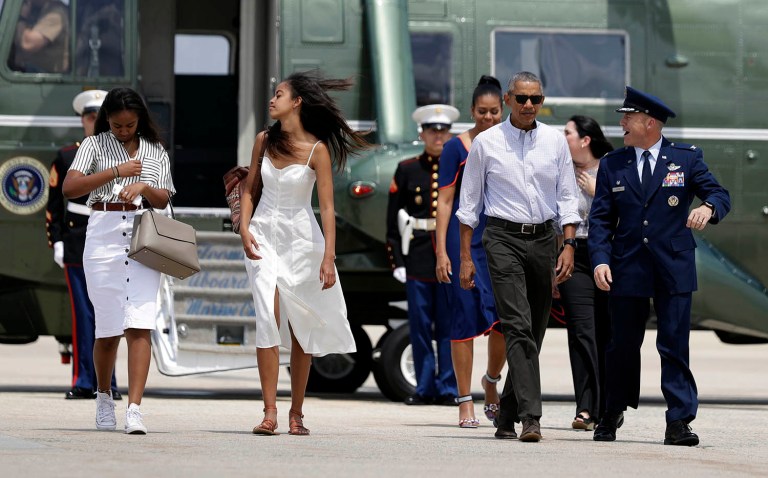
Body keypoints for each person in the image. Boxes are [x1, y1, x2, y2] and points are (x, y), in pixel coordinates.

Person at [589, 86, 731, 446]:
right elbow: (602, 220)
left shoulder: (686, 159)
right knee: (621, 345)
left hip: (673, 266)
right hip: (627, 267)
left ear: (649, 123)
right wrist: (601, 261)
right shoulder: (612, 164)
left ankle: (679, 420)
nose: (622, 123)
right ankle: (611, 412)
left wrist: (708, 208)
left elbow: (719, 193)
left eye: (628, 117)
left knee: (673, 345)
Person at [240, 71, 367, 436]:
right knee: (267, 314)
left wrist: (329, 257)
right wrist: (245, 229)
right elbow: (250, 189)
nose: (272, 100)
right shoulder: (264, 140)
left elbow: (327, 209)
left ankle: (296, 412)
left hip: (302, 241)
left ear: (296, 102)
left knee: (300, 329)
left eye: (279, 94)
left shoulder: (318, 150)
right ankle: (269, 412)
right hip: (263, 235)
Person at [456, 71, 580, 442]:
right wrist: (465, 258)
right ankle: (531, 417)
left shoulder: (555, 142)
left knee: (534, 332)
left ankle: (506, 415)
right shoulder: (487, 143)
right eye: (522, 98)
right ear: (508, 99)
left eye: (536, 99)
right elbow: (468, 205)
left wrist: (569, 244)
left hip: (545, 239)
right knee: (517, 325)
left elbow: (568, 197)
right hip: (502, 238)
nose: (529, 105)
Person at [63, 87, 175, 435]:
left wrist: (142, 185)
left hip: (143, 234)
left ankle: (135, 409)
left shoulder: (156, 150)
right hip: (104, 231)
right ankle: (103, 397)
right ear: (105, 120)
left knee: (140, 323)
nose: (123, 130)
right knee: (108, 328)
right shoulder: (94, 146)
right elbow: (70, 188)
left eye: (129, 125)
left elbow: (164, 196)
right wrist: (116, 172)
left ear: (139, 118)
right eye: (116, 125)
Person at [435, 76, 506, 428]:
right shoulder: (455, 148)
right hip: (461, 240)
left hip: (501, 239)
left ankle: (491, 382)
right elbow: (444, 201)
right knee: (463, 317)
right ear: (472, 111)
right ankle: (464, 401)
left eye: (495, 112)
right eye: (482, 112)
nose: (489, 118)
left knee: (504, 320)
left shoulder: (509, 144)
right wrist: (441, 252)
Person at [46, 89, 120, 401]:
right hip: (77, 240)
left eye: (98, 117)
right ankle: (84, 380)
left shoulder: (119, 154)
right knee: (83, 315)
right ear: (82, 120)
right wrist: (57, 241)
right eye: (89, 117)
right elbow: (53, 205)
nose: (93, 122)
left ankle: (109, 382)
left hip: (111, 238)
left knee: (110, 315)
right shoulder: (66, 156)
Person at [386, 104, 460, 406]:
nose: (438, 136)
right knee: (419, 326)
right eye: (432, 131)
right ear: (422, 134)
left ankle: (448, 387)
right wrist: (397, 261)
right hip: (417, 253)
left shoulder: (457, 166)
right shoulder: (407, 169)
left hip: (449, 255)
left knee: (448, 325)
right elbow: (392, 220)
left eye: (443, 131)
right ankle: (424, 387)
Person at [558, 115, 613, 430]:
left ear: (585, 140)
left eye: (567, 133)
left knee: (605, 333)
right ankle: (586, 407)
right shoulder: (560, 170)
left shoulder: (611, 169)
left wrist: (598, 191)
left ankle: (607, 404)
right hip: (572, 254)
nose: (561, 137)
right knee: (580, 331)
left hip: (606, 255)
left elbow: (628, 212)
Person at [9, 0, 69, 73]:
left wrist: (22, 17)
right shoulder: (37, 10)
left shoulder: (56, 13)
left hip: (44, 76)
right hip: (27, 70)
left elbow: (27, 44)